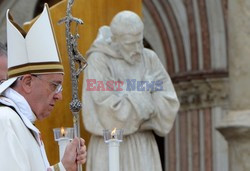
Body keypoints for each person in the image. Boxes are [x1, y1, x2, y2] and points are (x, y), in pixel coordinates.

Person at [82, 11, 179, 171]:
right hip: (110, 146)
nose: (137, 49)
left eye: (139, 42)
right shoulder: (98, 61)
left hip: (143, 147)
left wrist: (129, 103)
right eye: (129, 44)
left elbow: (168, 104)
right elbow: (108, 113)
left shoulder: (149, 58)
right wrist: (144, 90)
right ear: (114, 40)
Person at [0, 4, 86, 171]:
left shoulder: (18, 121)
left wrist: (63, 167)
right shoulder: (6, 121)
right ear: (27, 83)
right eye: (54, 85)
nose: (59, 96)